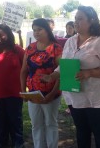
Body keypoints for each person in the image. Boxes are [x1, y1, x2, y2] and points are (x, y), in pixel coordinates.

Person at [41, 6, 100, 148]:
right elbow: (65, 65)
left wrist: (89, 73)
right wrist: (53, 75)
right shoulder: (70, 41)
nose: (76, 22)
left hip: (97, 99)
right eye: (75, 18)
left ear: (92, 21)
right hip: (75, 97)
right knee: (82, 133)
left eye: (80, 18)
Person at [20, 18, 62, 148]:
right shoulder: (30, 48)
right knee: (36, 124)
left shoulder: (56, 48)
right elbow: (23, 71)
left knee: (50, 123)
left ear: (47, 30)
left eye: (39, 29)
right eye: (34, 30)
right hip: (33, 94)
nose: (36, 33)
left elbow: (62, 73)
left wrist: (52, 94)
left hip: (51, 94)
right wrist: (23, 92)